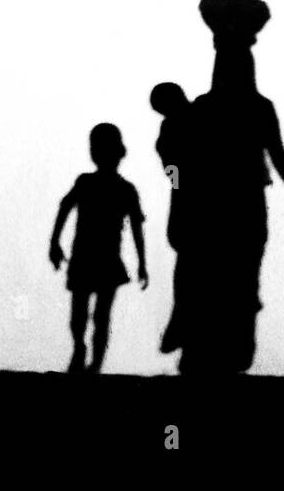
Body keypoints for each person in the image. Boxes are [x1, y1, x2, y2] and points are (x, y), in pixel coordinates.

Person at [177, 0, 284, 374]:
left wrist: (178, 190)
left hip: (221, 201)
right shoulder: (251, 107)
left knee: (221, 275)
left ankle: (216, 351)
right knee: (235, 277)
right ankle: (228, 352)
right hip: (238, 201)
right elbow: (277, 153)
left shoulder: (209, 109)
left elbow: (179, 165)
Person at [49, 123, 148, 373]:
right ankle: (89, 357)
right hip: (99, 258)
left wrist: (55, 241)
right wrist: (142, 264)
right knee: (93, 315)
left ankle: (88, 356)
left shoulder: (104, 186)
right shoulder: (121, 188)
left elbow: (64, 208)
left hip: (91, 257)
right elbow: (136, 228)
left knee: (87, 313)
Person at [149, 82, 192, 354]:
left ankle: (181, 323)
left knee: (187, 268)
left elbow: (171, 169)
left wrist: (179, 184)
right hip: (190, 200)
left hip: (187, 201)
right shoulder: (192, 119)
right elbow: (172, 169)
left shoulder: (172, 128)